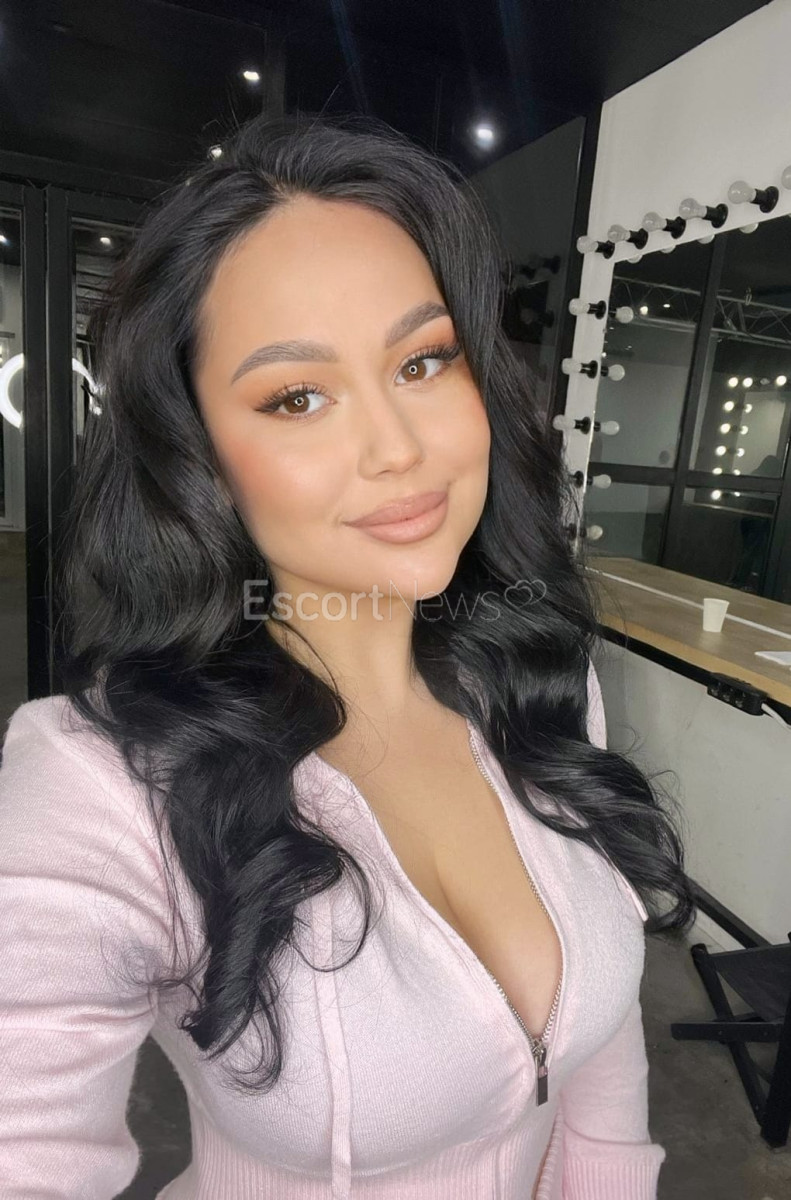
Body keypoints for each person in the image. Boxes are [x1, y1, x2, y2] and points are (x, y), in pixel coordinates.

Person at [0, 111, 695, 1200]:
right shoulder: (104, 783)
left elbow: (598, 1043)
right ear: (197, 455)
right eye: (298, 396)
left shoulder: (535, 679)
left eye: (422, 361)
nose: (397, 448)